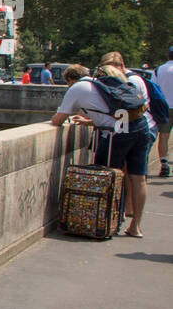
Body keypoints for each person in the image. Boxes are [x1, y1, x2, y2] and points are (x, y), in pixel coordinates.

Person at [52, 56, 154, 238]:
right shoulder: (105, 85)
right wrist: (91, 121)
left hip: (117, 134)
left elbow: (58, 120)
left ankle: (103, 222)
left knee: (104, 176)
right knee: (139, 178)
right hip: (140, 126)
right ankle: (135, 226)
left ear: (71, 80)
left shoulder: (78, 88)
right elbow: (114, 114)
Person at [156, 46, 173, 177]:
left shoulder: (158, 70)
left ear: (168, 55)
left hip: (165, 107)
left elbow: (154, 89)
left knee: (164, 136)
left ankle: (164, 164)